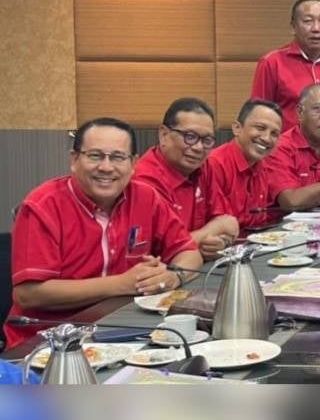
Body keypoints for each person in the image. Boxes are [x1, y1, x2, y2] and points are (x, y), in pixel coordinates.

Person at [4, 118, 202, 349]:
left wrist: (172, 276)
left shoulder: (146, 197)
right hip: (47, 341)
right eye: (95, 156)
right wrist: (121, 284)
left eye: (118, 157)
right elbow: (28, 294)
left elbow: (189, 253)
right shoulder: (42, 206)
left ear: (133, 163)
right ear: (74, 160)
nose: (107, 167)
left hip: (123, 330)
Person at [133, 97, 238, 259]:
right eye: (190, 136)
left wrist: (221, 242)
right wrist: (209, 232)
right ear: (164, 135)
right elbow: (163, 252)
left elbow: (228, 223)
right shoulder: (144, 181)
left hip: (198, 265)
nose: (198, 147)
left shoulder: (204, 167)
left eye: (207, 140)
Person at [251, 0, 320, 131]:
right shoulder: (272, 63)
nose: (316, 28)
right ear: (293, 27)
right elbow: (260, 115)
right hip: (288, 150)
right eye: (308, 21)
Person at [205, 98, 283, 231]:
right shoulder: (214, 165)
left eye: (274, 134)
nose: (266, 138)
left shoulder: (263, 166)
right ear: (237, 128)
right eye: (260, 128)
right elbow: (220, 228)